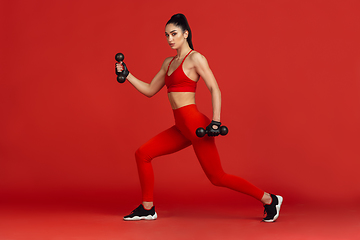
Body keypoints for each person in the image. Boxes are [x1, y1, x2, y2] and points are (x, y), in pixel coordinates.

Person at [116, 13, 283, 222]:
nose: (170, 39)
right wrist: (128, 75)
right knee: (142, 154)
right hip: (181, 127)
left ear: (185, 34)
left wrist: (216, 120)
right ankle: (147, 208)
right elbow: (150, 90)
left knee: (217, 177)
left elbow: (214, 88)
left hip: (196, 126)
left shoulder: (195, 58)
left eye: (174, 34)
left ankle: (270, 199)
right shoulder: (168, 63)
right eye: (167, 35)